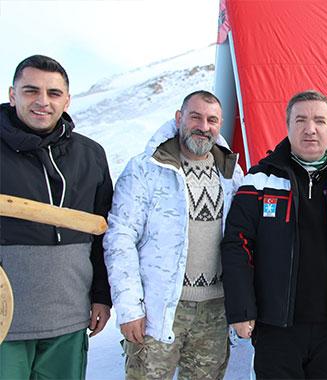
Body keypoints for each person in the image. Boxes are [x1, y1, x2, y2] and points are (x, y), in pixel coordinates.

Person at [221, 89, 327, 379]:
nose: (310, 129)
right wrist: (241, 309)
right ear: (287, 125)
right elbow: (237, 244)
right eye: (300, 120)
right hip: (275, 327)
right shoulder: (260, 178)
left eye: (319, 120)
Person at [103, 90, 244, 380]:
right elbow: (121, 238)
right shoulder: (146, 168)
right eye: (195, 117)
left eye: (212, 120)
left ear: (219, 126)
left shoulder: (232, 173)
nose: (203, 127)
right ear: (179, 118)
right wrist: (130, 308)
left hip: (214, 311)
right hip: (160, 308)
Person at [0, 55, 113, 379]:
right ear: (12, 94)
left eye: (53, 93)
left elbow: (102, 233)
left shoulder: (90, 155)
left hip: (67, 318)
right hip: (4, 320)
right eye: (30, 91)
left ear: (67, 100)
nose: (42, 102)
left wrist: (101, 296)